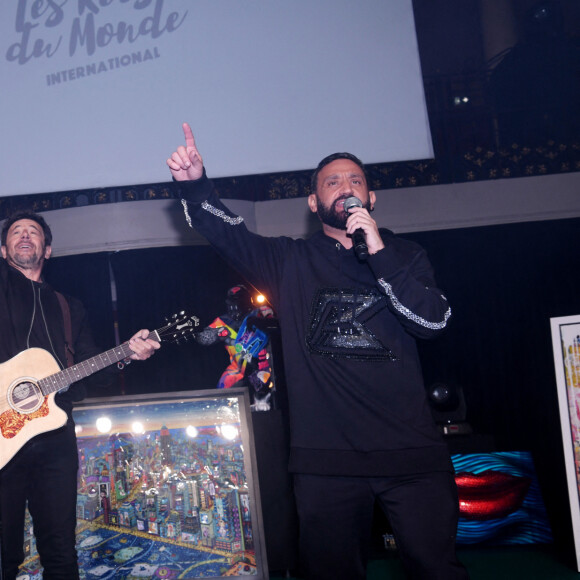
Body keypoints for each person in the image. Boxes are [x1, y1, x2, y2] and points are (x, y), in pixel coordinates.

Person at [167, 123, 468, 579]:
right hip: (326, 463)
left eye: (356, 182)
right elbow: (228, 233)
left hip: (411, 456)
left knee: (438, 570)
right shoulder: (290, 261)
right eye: (332, 182)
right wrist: (196, 186)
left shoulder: (405, 255)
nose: (345, 188)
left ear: (372, 198)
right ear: (313, 203)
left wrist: (379, 251)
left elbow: (432, 322)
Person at [0, 211, 160, 580]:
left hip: (54, 440)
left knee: (59, 550)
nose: (25, 236)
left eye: (34, 232)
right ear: (3, 249)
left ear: (48, 249)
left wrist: (127, 354)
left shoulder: (69, 307)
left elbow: (93, 370)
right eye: (16, 232)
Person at [194, 284, 275, 410]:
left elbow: (275, 324)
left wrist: (260, 323)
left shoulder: (260, 312)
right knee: (222, 392)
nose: (234, 306)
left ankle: (262, 405)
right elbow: (202, 338)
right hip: (237, 367)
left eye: (237, 301)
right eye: (231, 302)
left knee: (265, 395)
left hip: (261, 365)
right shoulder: (223, 322)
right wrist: (217, 334)